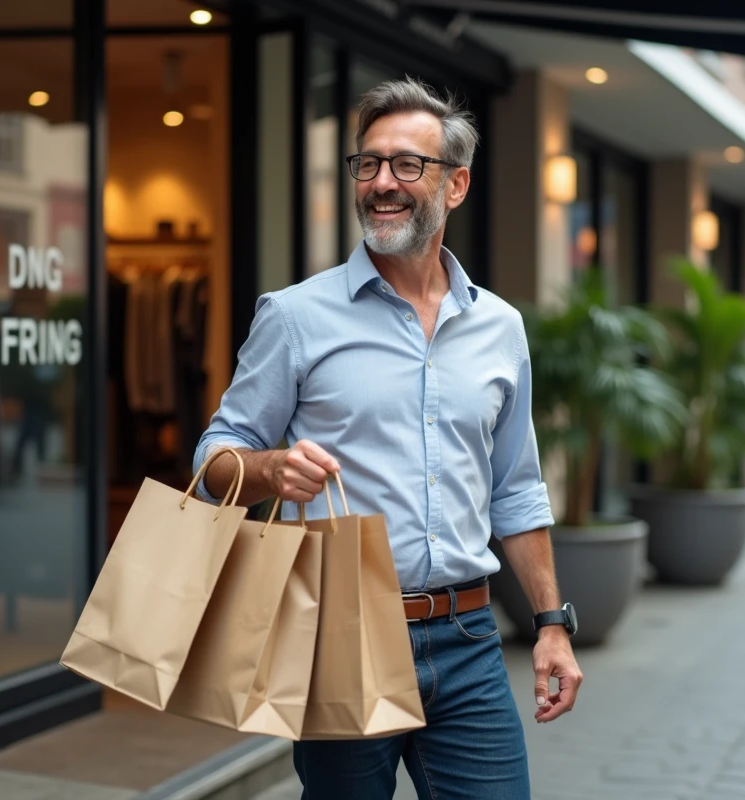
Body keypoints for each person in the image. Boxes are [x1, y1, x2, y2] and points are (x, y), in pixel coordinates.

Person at [193, 78, 581, 799]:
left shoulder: (500, 327)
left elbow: (516, 486)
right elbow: (214, 454)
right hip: (342, 631)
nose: (382, 183)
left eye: (408, 165)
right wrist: (270, 467)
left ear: (455, 184)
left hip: (469, 637)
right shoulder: (296, 316)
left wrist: (551, 623)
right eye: (367, 164)